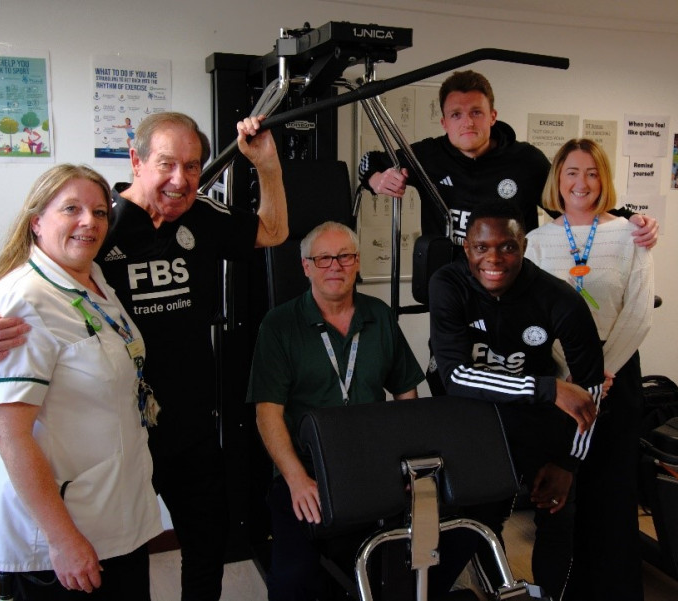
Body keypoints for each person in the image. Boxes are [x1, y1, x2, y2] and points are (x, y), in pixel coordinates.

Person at [0, 112, 288, 601]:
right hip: (119, 432)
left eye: (193, 167)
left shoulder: (203, 218)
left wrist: (268, 165)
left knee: (204, 544)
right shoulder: (99, 223)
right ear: (136, 160)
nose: (181, 180)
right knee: (113, 554)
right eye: (167, 164)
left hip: (189, 424)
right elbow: (22, 279)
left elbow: (274, 233)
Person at [0, 164, 162, 600]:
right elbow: (8, 433)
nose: (90, 221)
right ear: (36, 222)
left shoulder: (93, 279)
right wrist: (62, 539)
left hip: (109, 512)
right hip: (55, 534)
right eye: (72, 208)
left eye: (100, 212)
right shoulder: (23, 300)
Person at [428, 201, 606, 601]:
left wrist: (568, 463)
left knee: (558, 511)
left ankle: (547, 595)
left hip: (534, 423)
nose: (493, 259)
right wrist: (549, 387)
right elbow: (455, 376)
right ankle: (499, 592)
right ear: (466, 248)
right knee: (481, 518)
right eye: (481, 247)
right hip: (472, 423)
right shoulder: (448, 284)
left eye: (507, 247)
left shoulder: (558, 298)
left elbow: (591, 387)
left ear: (523, 246)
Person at [246, 221, 426, 601]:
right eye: (324, 258)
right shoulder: (279, 325)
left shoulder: (379, 316)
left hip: (374, 468)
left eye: (344, 256)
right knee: (293, 583)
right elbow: (267, 413)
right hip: (307, 472)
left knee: (406, 570)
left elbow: (406, 393)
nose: (335, 266)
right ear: (306, 267)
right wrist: (295, 479)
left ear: (357, 262)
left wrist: (408, 462)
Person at [525, 139, 654, 601]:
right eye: (572, 173)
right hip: (563, 382)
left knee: (611, 492)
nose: (582, 183)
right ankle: (562, 590)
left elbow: (639, 312)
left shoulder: (630, 234)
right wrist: (571, 375)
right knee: (561, 495)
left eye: (592, 173)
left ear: (604, 180)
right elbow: (532, 317)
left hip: (616, 377)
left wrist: (602, 371)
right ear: (557, 180)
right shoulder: (537, 242)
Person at [358, 69, 658, 248]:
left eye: (476, 112)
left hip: (512, 282)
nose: (468, 123)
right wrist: (377, 179)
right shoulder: (426, 155)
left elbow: (573, 203)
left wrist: (629, 218)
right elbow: (368, 161)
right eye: (456, 115)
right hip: (452, 281)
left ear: (492, 116)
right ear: (444, 122)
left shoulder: (525, 160)